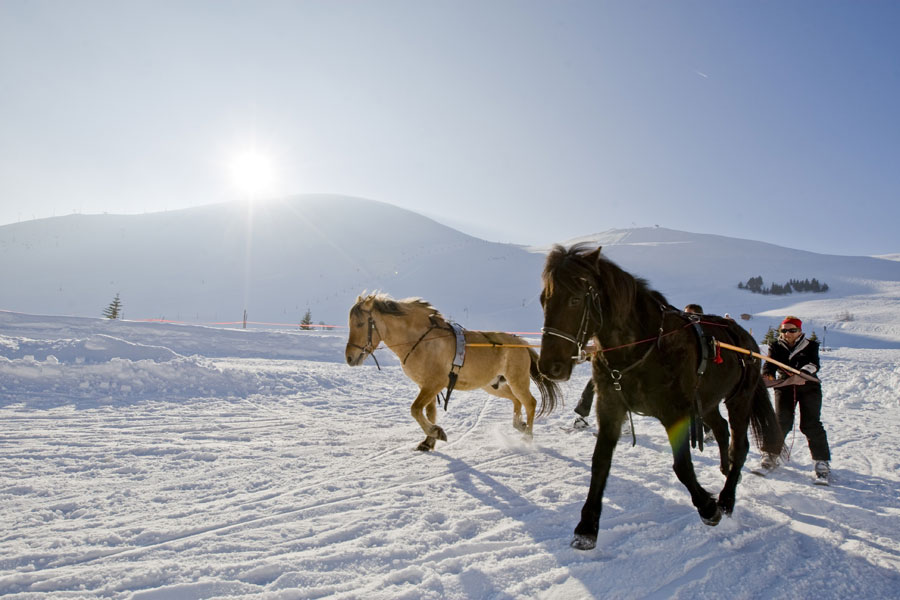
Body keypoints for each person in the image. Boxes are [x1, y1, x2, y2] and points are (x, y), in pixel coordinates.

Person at [571, 303, 705, 430]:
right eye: (685, 314)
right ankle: (586, 417)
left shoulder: (698, 333)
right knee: (597, 383)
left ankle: (707, 428)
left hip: (680, 371)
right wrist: (585, 353)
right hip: (629, 365)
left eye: (689, 315)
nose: (685, 318)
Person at [759, 316, 831, 482]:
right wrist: (768, 374)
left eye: (792, 330)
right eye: (784, 330)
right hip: (784, 386)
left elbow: (814, 363)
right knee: (781, 421)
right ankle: (770, 455)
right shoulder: (776, 345)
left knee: (810, 424)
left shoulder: (811, 345)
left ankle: (821, 461)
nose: (787, 334)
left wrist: (803, 372)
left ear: (799, 331)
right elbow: (770, 364)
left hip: (809, 387)